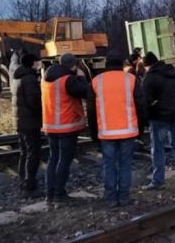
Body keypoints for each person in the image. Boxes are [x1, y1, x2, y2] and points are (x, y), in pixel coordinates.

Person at [87, 52, 147, 207]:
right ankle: (124, 197)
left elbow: (91, 112)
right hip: (128, 130)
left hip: (106, 133)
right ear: (121, 65)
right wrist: (141, 129)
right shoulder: (131, 79)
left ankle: (111, 198)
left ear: (106, 65)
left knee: (109, 165)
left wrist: (94, 133)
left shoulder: (96, 81)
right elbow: (141, 106)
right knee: (125, 164)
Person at [41, 53, 90, 203]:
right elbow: (86, 91)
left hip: (51, 126)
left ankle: (49, 194)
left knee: (53, 159)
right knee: (64, 160)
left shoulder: (46, 79)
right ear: (73, 65)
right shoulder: (68, 80)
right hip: (66, 126)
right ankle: (59, 194)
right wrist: (81, 76)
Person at [141, 52, 175, 189]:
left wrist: (146, 119)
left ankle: (158, 181)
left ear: (147, 65)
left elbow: (145, 101)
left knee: (158, 149)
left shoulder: (150, 77)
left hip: (159, 117)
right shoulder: (174, 73)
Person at [12, 53, 43, 197]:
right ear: (33, 63)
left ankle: (23, 181)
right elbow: (34, 102)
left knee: (24, 152)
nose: (39, 65)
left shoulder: (18, 77)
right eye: (37, 63)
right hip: (30, 122)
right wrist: (41, 117)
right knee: (33, 153)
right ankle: (30, 185)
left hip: (20, 120)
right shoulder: (30, 79)